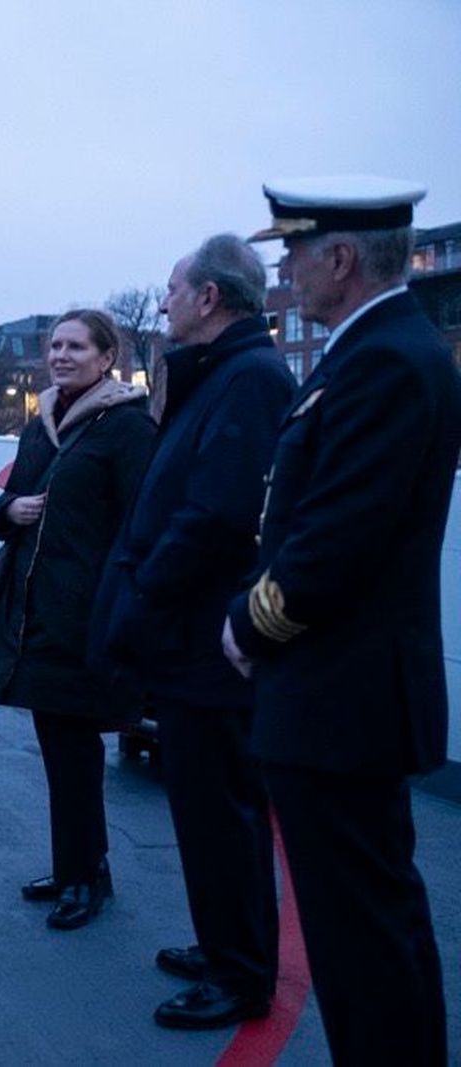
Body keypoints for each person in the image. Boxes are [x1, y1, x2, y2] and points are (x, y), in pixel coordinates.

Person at [222, 176, 460, 1063]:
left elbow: (333, 542)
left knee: (367, 938)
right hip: (336, 698)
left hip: (343, 701)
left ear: (343, 259)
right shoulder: (371, 353)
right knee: (358, 932)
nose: (286, 271)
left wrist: (249, 625)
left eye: (294, 254)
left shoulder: (389, 362)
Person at [92, 236, 293, 1026]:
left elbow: (216, 514)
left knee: (224, 813)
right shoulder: (224, 374)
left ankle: (242, 975)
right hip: (191, 638)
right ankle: (223, 946)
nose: (166, 300)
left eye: (174, 289)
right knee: (204, 812)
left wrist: (140, 597)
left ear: (209, 297)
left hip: (205, 641)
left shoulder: (246, 381)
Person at [0, 310, 154, 925]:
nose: (61, 355)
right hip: (37, 609)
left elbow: (140, 523)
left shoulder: (126, 428)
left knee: (76, 749)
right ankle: (75, 866)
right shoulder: (43, 422)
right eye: (55, 345)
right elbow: (8, 502)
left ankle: (88, 876)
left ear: (107, 358)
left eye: (76, 346)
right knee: (58, 746)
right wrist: (10, 511)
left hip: (86, 612)